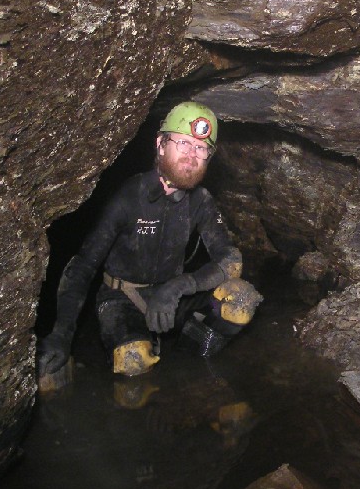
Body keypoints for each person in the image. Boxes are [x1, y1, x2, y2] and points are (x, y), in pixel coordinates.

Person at [38, 101, 262, 379]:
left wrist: (181, 286)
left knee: (242, 300)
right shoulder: (128, 197)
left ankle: (190, 370)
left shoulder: (201, 201)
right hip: (122, 299)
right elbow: (83, 266)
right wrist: (61, 334)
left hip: (173, 296)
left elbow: (231, 261)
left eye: (201, 148)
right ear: (160, 144)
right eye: (183, 143)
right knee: (133, 361)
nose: (192, 155)